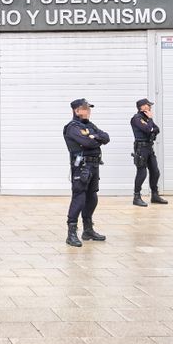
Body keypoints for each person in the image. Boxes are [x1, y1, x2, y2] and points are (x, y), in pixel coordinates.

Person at [63, 98, 110, 247]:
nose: (88, 111)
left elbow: (106, 137)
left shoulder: (90, 125)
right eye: (86, 109)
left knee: (92, 197)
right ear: (77, 110)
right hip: (81, 167)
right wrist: (94, 139)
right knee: (79, 198)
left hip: (94, 165)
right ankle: (71, 233)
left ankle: (88, 230)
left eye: (89, 109)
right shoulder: (72, 127)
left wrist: (94, 137)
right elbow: (88, 143)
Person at [131, 98, 167, 207]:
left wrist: (150, 126)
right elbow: (147, 130)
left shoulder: (146, 118)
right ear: (142, 107)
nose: (150, 107)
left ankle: (155, 195)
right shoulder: (136, 119)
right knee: (142, 173)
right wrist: (150, 122)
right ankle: (136, 197)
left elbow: (156, 129)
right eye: (148, 105)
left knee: (155, 171)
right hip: (141, 149)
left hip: (149, 148)